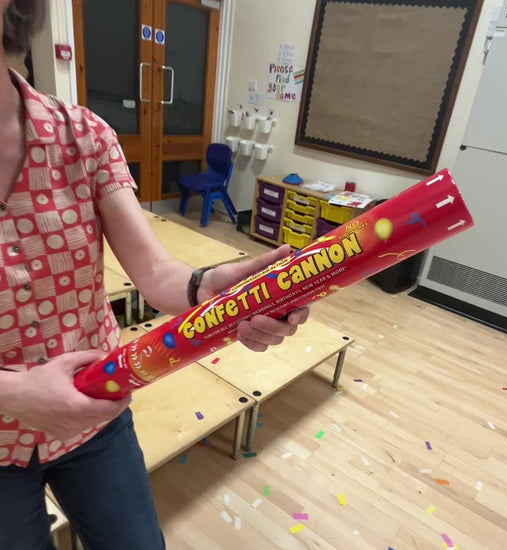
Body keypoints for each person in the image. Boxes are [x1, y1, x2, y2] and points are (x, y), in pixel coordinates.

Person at [0, 2, 309, 549]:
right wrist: (14, 393)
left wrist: (205, 287)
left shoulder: (85, 137)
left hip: (98, 409)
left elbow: (156, 272)